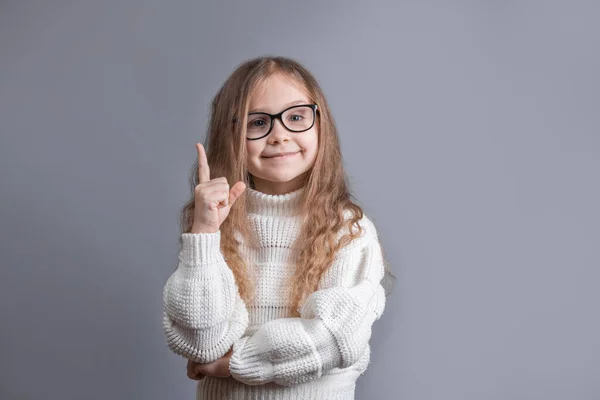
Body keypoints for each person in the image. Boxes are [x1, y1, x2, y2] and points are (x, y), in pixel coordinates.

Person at [162, 55, 395, 400]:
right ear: (231, 135)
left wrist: (235, 363)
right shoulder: (217, 225)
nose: (279, 135)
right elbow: (200, 342)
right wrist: (204, 232)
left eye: (296, 117)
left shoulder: (348, 230)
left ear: (321, 125)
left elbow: (335, 337)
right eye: (258, 123)